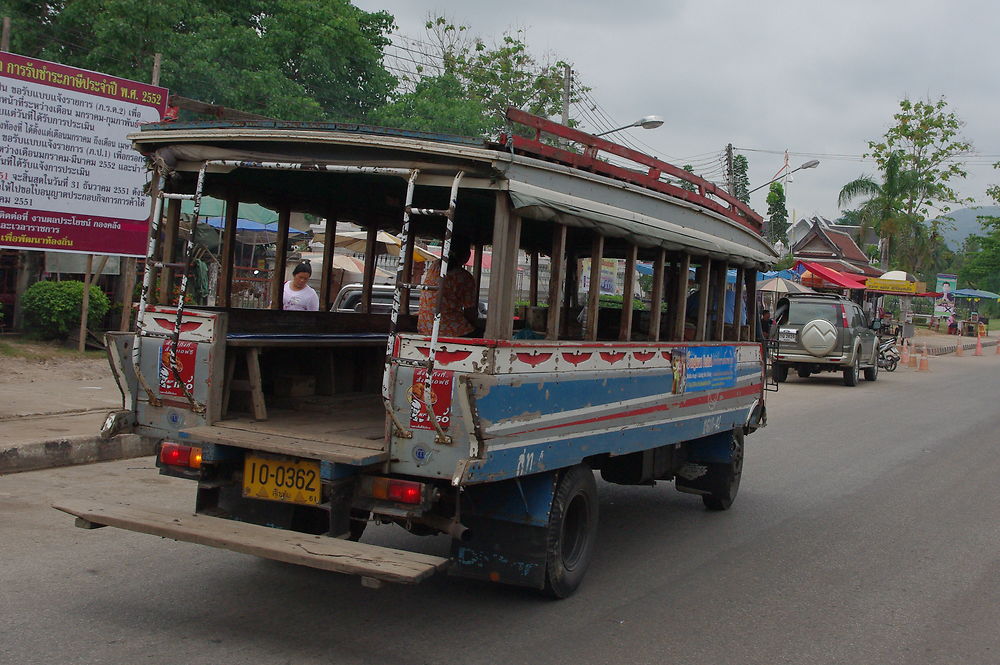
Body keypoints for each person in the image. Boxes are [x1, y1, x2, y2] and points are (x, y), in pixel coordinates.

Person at [417, 236, 478, 336]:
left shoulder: (435, 265)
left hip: (424, 327)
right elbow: (470, 311)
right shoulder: (464, 277)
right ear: (466, 255)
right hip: (448, 329)